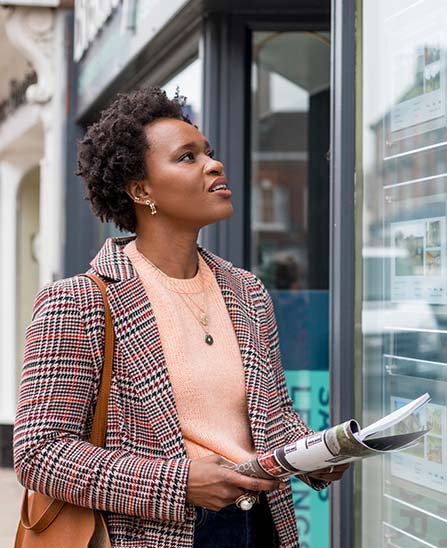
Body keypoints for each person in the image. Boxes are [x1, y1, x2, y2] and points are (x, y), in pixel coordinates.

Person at [13, 87, 348, 548]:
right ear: (141, 190)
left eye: (208, 153)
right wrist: (178, 482)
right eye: (187, 158)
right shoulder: (78, 301)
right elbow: (39, 453)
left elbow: (270, 416)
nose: (214, 165)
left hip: (264, 524)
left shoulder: (247, 291)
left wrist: (316, 451)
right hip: (160, 532)